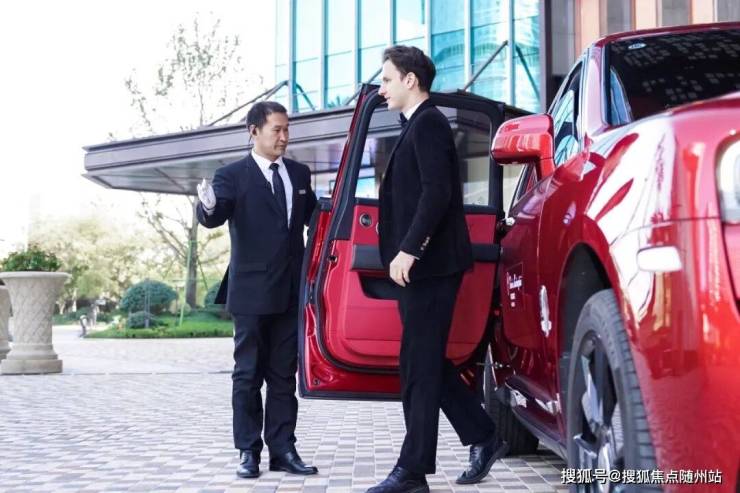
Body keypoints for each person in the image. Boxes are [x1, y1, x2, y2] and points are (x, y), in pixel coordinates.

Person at [368, 46, 508, 493]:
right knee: (422, 362)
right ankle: (483, 435)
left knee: (419, 368)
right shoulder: (416, 125)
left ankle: (413, 472)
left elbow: (438, 193)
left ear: (410, 80)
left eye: (387, 79)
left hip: (429, 267)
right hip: (422, 270)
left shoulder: (428, 123)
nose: (381, 89)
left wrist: (410, 249)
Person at [196, 101, 318, 479]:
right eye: (276, 130)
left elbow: (316, 220)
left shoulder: (299, 173)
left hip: (290, 290)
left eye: (286, 129)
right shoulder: (231, 175)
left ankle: (283, 450)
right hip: (250, 292)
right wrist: (207, 206)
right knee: (247, 374)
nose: (284, 137)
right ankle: (248, 451)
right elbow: (215, 214)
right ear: (254, 131)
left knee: (283, 375)